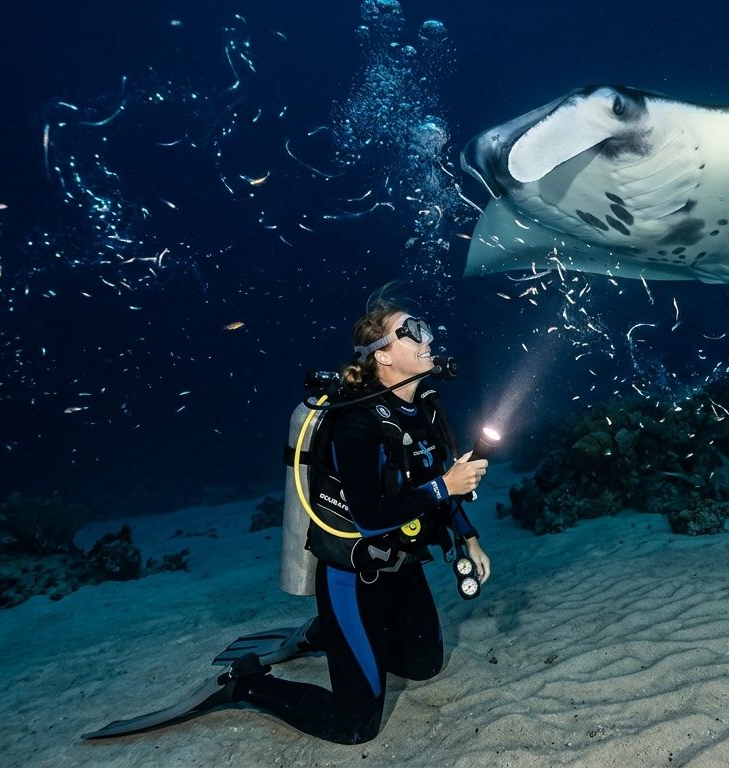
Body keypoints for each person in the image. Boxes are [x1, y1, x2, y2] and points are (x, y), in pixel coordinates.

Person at [83, 294, 491, 745]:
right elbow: (370, 515)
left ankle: (326, 635)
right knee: (355, 727)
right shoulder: (355, 422)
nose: (427, 338)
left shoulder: (426, 408)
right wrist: (444, 486)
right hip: (355, 575)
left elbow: (434, 481)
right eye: (411, 331)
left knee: (426, 665)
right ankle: (247, 685)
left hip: (404, 563)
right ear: (382, 355)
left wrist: (468, 537)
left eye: (424, 327)